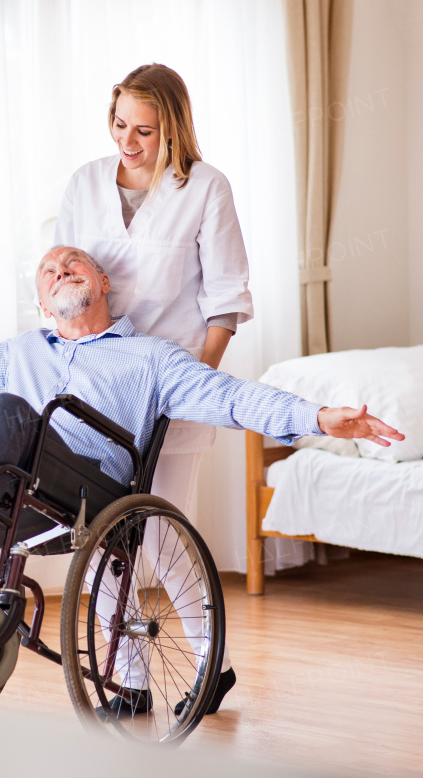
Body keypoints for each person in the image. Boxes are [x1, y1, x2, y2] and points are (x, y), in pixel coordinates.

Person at [0, 246, 402, 714]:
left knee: (8, 410)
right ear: (41, 302)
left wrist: (319, 418)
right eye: (48, 269)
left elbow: (230, 397)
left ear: (103, 286)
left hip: (75, 492)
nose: (61, 269)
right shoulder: (22, 349)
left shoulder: (150, 356)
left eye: (74, 264)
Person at [55, 64, 253, 709]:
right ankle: (131, 682)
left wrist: (195, 383)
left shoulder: (206, 188)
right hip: (99, 383)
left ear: (174, 128)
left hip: (171, 386)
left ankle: (210, 664)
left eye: (145, 129)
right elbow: (61, 276)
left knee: (165, 538)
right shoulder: (85, 183)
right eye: (119, 125)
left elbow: (224, 304)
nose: (128, 142)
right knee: (105, 544)